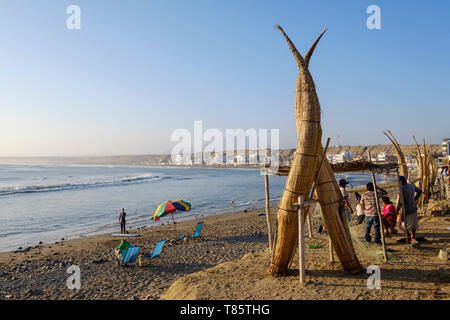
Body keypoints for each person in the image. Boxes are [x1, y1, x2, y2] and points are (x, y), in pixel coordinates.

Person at [396, 176, 422, 247]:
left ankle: (409, 237)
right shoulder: (411, 186)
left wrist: (397, 209)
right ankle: (413, 236)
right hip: (414, 208)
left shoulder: (402, 189)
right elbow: (420, 191)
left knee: (406, 225)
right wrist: (415, 199)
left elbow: (400, 202)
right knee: (414, 224)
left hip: (407, 209)